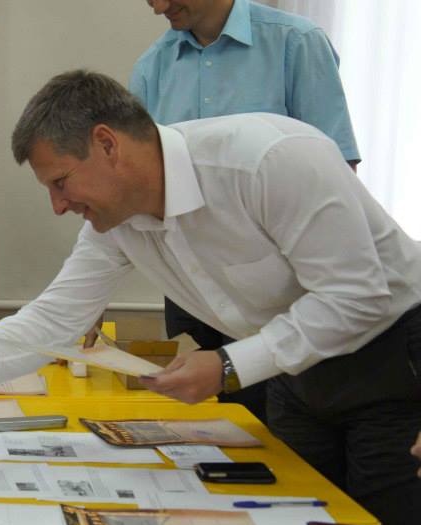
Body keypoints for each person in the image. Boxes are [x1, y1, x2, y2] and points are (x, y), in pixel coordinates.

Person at [0, 70, 421, 525]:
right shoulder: (116, 221)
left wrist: (229, 365)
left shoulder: (269, 160)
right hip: (294, 375)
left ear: (107, 144)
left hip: (393, 362)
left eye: (61, 182)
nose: (58, 205)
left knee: (386, 523)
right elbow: (58, 317)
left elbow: (356, 297)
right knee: (297, 520)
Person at [103, 0, 362, 423]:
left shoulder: (295, 43)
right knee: (202, 427)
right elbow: (135, 184)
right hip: (191, 284)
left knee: (275, 428)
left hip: (275, 289)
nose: (158, 7)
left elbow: (336, 172)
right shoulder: (153, 65)